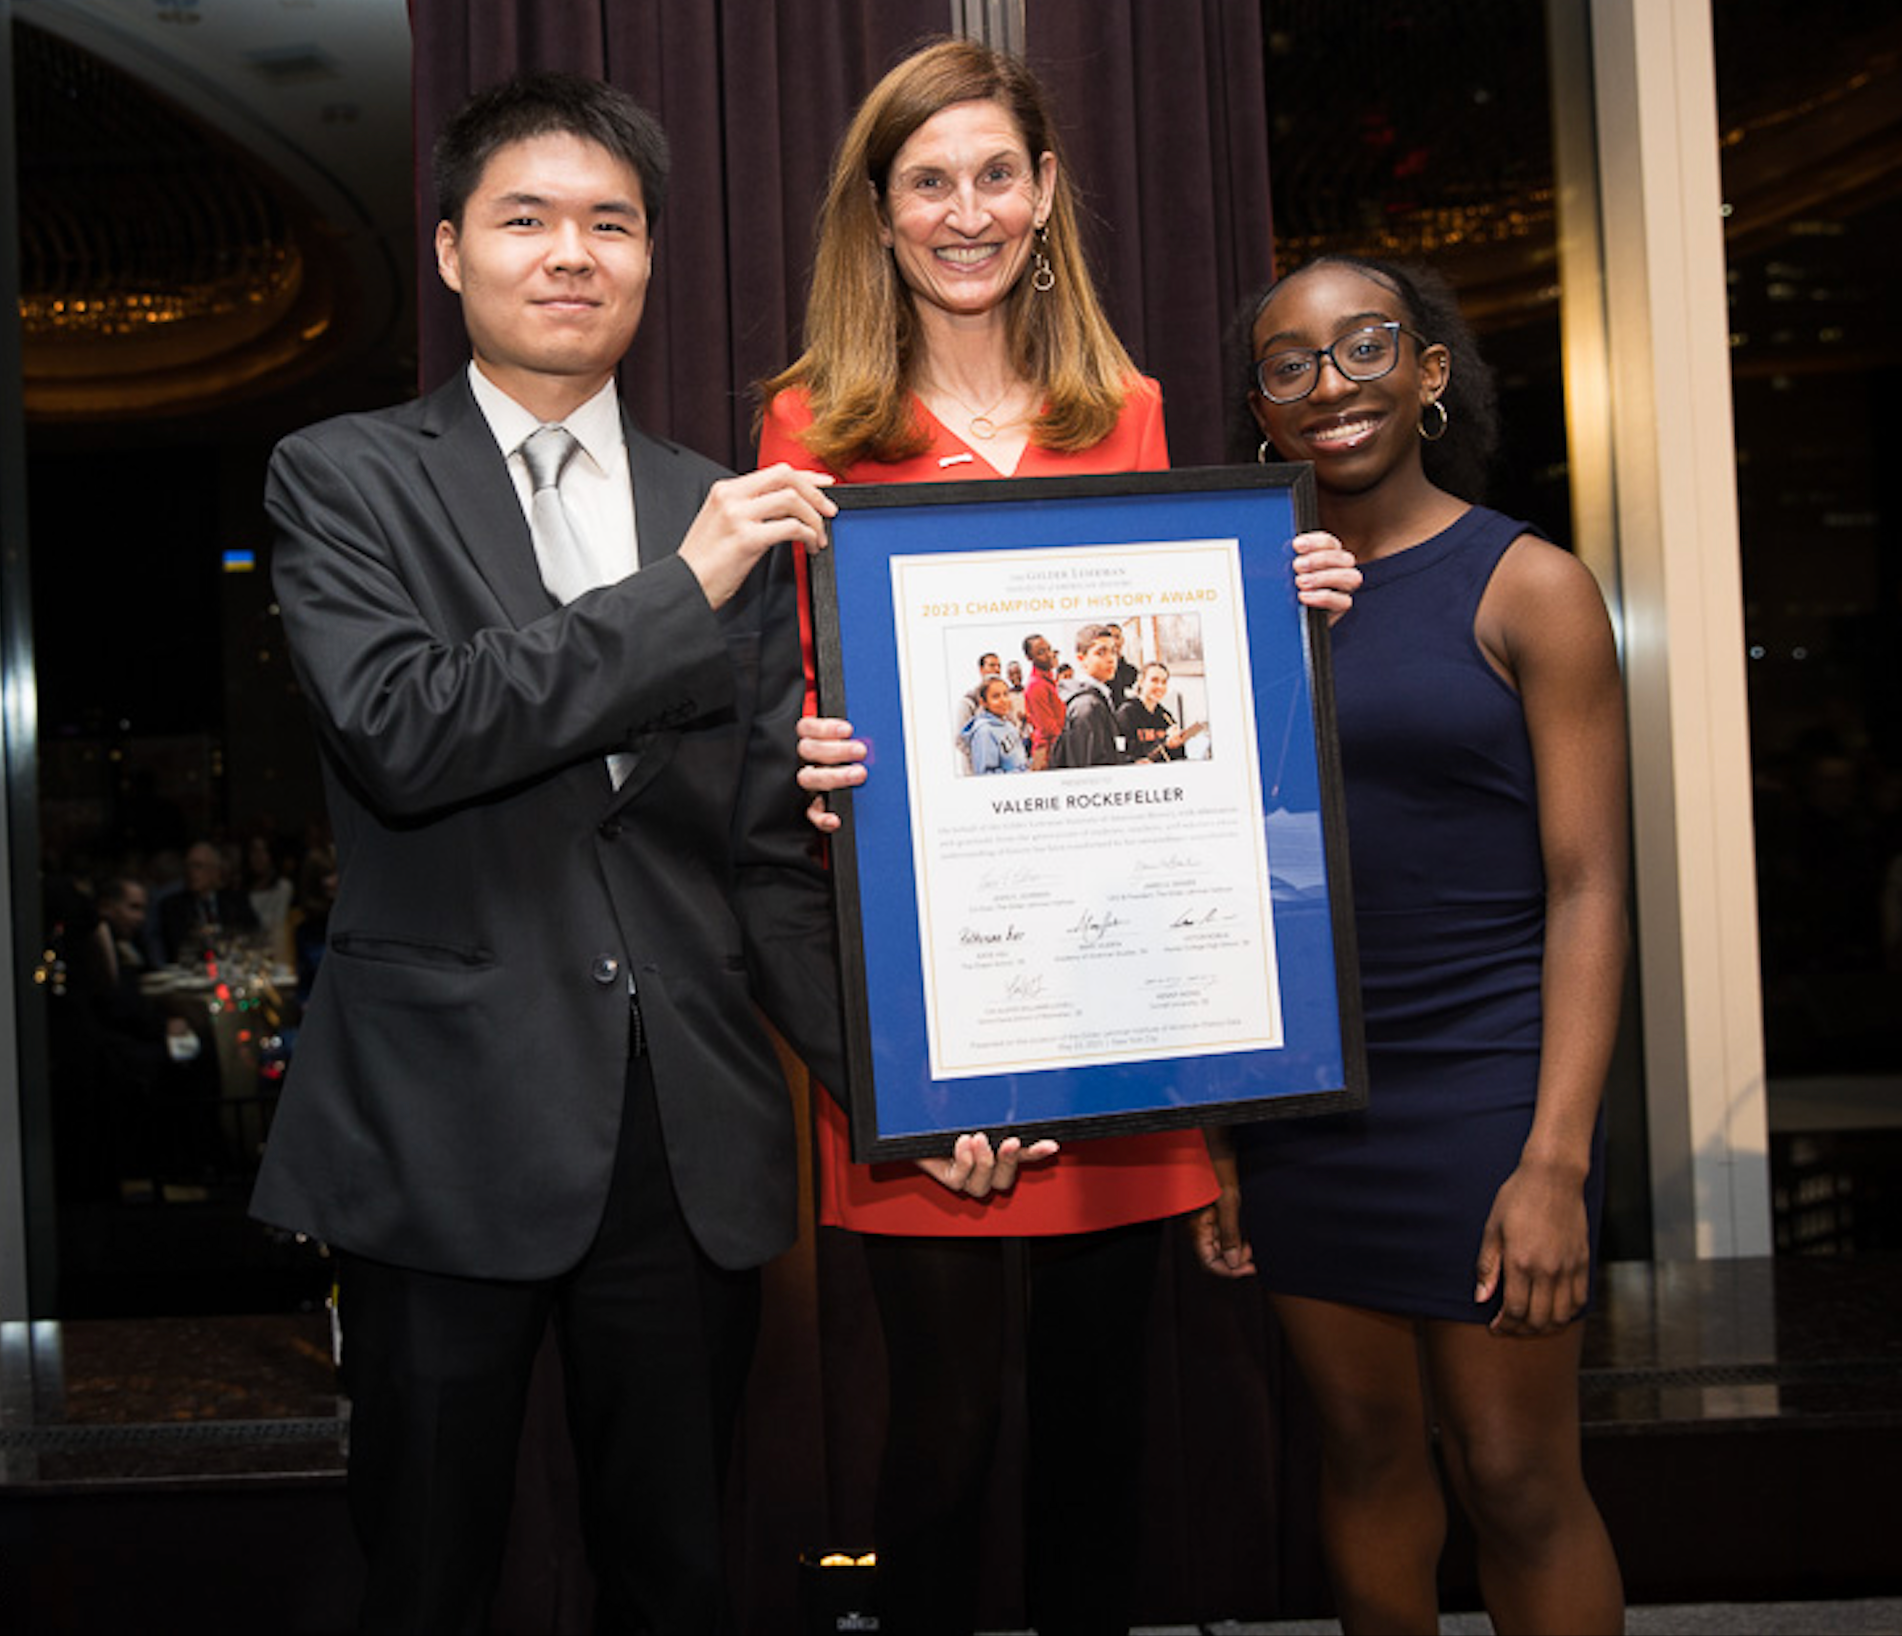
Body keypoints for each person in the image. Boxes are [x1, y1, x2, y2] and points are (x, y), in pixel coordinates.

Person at [758, 38, 1357, 1635]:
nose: (967, 213)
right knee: (942, 1434)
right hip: (923, 1016)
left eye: (995, 175)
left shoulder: (1137, 410)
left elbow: (1185, 713)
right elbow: (768, 711)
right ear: (878, 216)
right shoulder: (807, 428)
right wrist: (792, 748)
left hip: (1116, 1009)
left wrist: (1274, 613)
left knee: (1102, 1428)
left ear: (1044, 197)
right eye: (927, 181)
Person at [247, 71, 844, 1633]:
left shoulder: (718, 504)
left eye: (611, 223)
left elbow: (768, 855)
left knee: (677, 1571)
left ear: (651, 260)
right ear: (449, 252)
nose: (571, 253)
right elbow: (407, 729)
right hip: (440, 1126)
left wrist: (912, 1091)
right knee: (431, 1568)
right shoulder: (343, 476)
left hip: (687, 1139)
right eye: (527, 219)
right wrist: (683, 593)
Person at [1230, 254, 1627, 1633]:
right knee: (1363, 1455)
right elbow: (1225, 875)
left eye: (1363, 347)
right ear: (1260, 410)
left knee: (1516, 1476)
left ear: (1430, 372)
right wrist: (1222, 1133)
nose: (1328, 386)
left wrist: (1556, 1162)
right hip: (1307, 1103)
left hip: (1486, 1087)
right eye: (1287, 365)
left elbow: (1587, 890)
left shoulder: (1530, 587)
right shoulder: (1246, 606)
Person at [155, 839, 260, 964]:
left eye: (198, 866)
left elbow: (252, 935)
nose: (191, 872)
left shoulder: (235, 901)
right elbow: (178, 948)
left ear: (215, 871)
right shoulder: (172, 906)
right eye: (188, 866)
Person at [1047, 622, 1124, 769]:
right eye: (1101, 653)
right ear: (1082, 659)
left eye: (1113, 651)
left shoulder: (1100, 696)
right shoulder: (1086, 706)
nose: (1111, 659)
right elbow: (1086, 767)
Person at [1117, 661, 1199, 763]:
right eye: (1154, 680)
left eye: (1164, 682)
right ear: (1141, 682)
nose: (1160, 686)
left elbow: (1179, 757)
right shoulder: (1126, 713)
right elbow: (1120, 753)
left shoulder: (1166, 716)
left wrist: (1175, 744)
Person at [960, 674, 1028, 775]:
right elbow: (986, 775)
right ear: (983, 702)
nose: (1003, 700)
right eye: (996, 696)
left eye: (1006, 694)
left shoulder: (1008, 725)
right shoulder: (984, 732)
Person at [1020, 631, 1064, 770]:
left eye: (1049, 649)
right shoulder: (1036, 685)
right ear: (1029, 657)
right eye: (1041, 652)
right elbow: (1048, 729)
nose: (1049, 655)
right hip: (1049, 752)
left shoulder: (1050, 679)